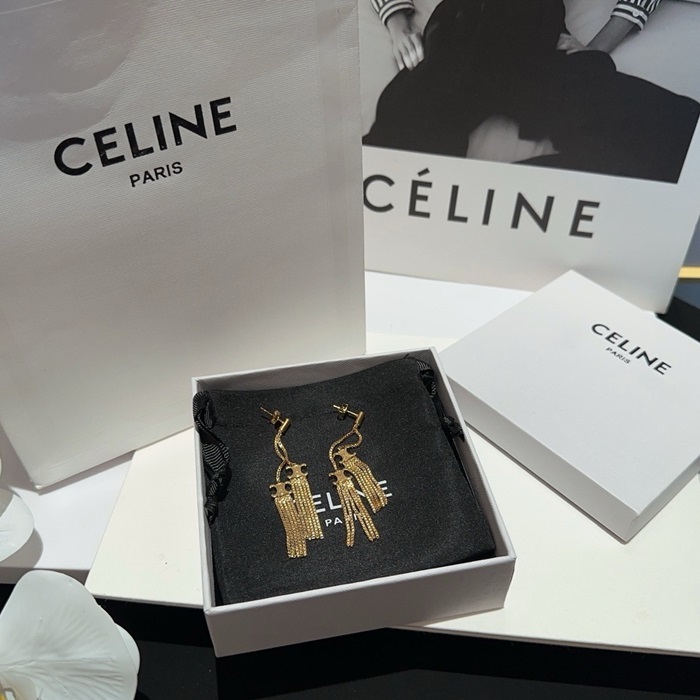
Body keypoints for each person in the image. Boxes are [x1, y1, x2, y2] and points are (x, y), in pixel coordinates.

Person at [364, 0, 699, 183]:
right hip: (468, 22)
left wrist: (596, 49)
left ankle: (513, 191)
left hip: (537, 30)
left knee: (680, 136)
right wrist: (397, 24)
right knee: (409, 128)